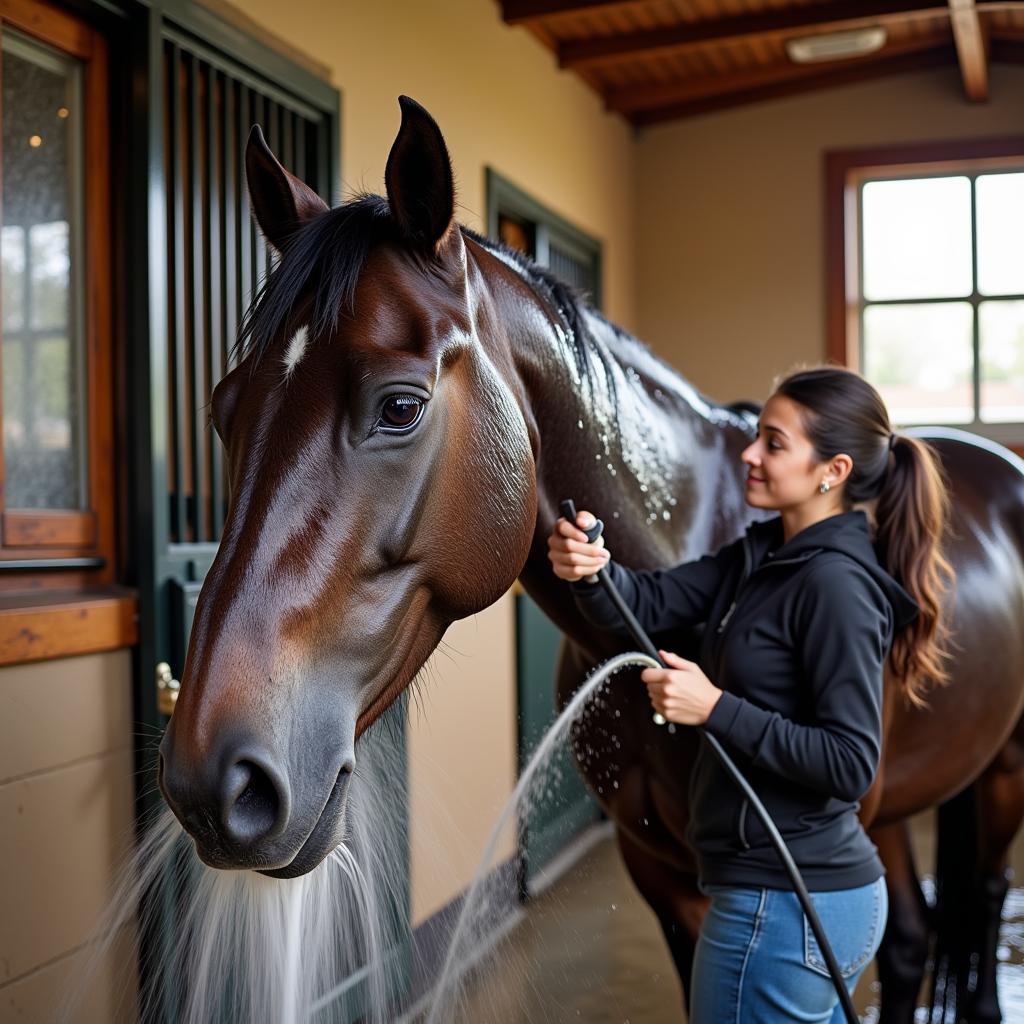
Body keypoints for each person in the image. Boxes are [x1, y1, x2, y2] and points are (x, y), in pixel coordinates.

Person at [547, 365, 953, 1023]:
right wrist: (594, 572)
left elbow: (849, 764)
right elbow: (647, 603)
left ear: (833, 470)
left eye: (773, 442)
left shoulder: (838, 589)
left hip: (788, 902)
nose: (749, 453)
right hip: (776, 895)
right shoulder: (761, 554)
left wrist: (714, 708)